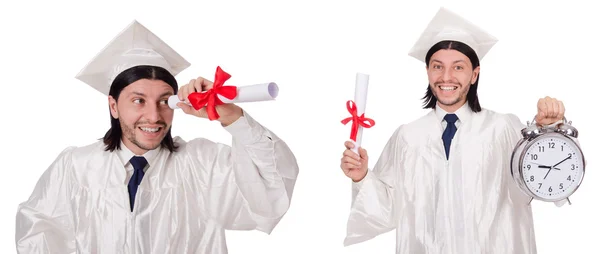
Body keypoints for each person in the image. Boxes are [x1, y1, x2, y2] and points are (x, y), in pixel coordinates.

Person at [15, 20, 299, 254]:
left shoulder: (203, 164)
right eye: (138, 100)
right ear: (113, 106)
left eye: (165, 101)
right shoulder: (75, 166)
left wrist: (231, 116)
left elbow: (272, 194)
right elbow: (36, 230)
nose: (153, 116)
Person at [340, 7, 566, 254]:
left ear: (474, 75)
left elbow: (546, 180)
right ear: (428, 72)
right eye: (437, 66)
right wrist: (362, 176)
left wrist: (548, 130)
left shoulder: (502, 129)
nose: (446, 76)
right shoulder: (408, 136)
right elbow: (387, 211)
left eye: (458, 67)